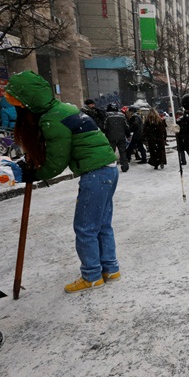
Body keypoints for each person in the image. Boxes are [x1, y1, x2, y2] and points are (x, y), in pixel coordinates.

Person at [3, 71, 121, 293]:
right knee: (102, 224)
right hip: (107, 169)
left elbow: (56, 163)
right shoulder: (64, 109)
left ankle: (92, 275)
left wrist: (31, 174)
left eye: (20, 105)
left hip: (95, 172)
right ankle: (110, 268)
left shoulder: (51, 119)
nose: (19, 109)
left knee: (85, 227)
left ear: (29, 102)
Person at [103, 102, 131, 172]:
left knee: (111, 152)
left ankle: (110, 166)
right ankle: (125, 166)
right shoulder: (122, 115)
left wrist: (106, 134)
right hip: (121, 137)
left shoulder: (107, 116)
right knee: (123, 152)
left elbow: (104, 127)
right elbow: (127, 127)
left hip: (111, 137)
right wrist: (128, 135)